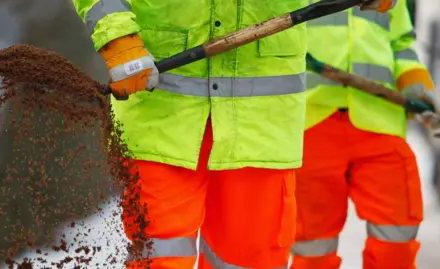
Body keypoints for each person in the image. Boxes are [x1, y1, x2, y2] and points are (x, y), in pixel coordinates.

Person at [70, 0, 399, 268]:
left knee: (250, 260)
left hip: (261, 128)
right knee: (161, 258)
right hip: (161, 117)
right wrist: (118, 38)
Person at [290, 0, 438, 268]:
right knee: (312, 241)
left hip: (380, 123)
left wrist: (420, 92)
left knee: (398, 230)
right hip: (311, 122)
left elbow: (402, 47)